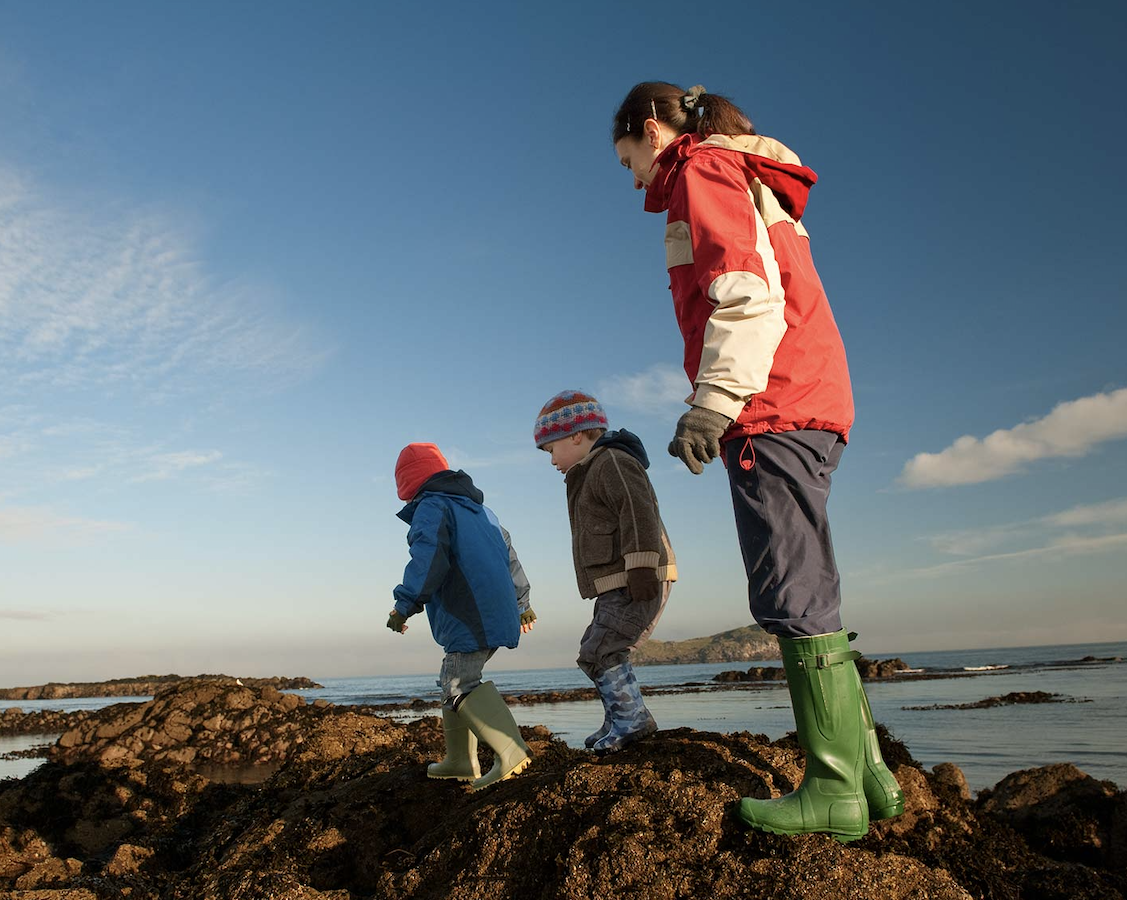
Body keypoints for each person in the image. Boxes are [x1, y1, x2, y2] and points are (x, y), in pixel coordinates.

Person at [609, 82, 904, 841]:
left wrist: (713, 402)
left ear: (650, 131)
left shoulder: (702, 171)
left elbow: (744, 296)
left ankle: (836, 792)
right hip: (813, 396)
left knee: (790, 587)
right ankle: (869, 772)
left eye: (627, 158)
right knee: (811, 581)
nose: (631, 176)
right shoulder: (745, 170)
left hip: (771, 402)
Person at [387, 442, 537, 791]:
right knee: (452, 677)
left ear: (409, 486)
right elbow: (510, 556)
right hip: (496, 611)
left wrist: (404, 604)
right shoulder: (483, 512)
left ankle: (512, 751)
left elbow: (428, 561)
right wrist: (522, 603)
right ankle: (459, 760)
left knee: (458, 682)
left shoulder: (431, 507)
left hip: (469, 612)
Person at [533, 390, 676, 753]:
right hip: (616, 582)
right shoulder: (589, 471)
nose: (551, 460)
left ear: (575, 435)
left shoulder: (612, 461)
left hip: (636, 577)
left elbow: (637, 509)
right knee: (594, 650)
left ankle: (632, 720)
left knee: (603, 649)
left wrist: (643, 564)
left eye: (551, 449)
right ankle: (621, 716)